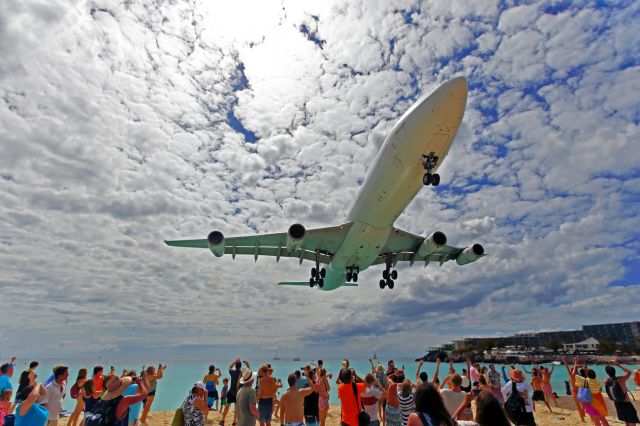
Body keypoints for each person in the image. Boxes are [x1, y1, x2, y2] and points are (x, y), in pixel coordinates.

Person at [604, 362, 639, 426]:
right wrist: (618, 364)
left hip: (617, 404)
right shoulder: (620, 379)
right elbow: (629, 372)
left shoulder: (606, 381)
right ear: (615, 371)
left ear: (607, 373)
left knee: (626, 421)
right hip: (626, 403)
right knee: (632, 422)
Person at [222, 358, 245, 426]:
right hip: (238, 393)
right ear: (240, 366)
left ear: (235, 366)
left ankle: (223, 420)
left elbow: (229, 367)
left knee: (227, 406)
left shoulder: (233, 372)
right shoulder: (242, 373)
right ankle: (234, 422)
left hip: (231, 392)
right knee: (236, 407)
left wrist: (234, 362)